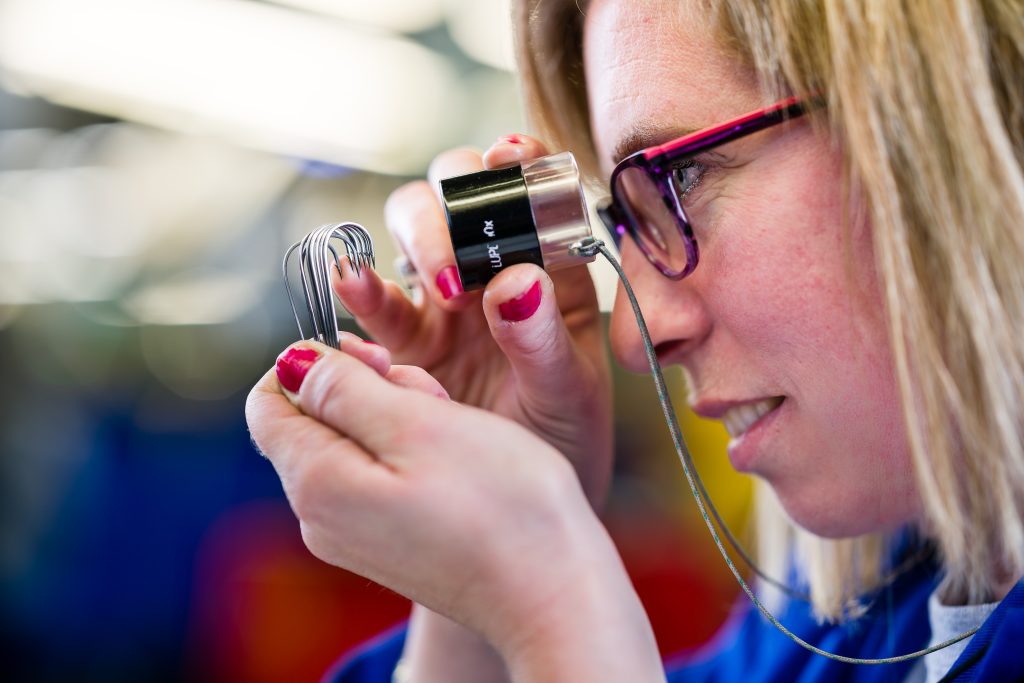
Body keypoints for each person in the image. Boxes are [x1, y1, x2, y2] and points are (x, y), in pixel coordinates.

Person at [245, 0, 1024, 680]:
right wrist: (477, 593)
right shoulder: (843, 638)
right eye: (624, 222)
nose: (634, 335)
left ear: (941, 111)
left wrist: (551, 614)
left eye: (681, 179)